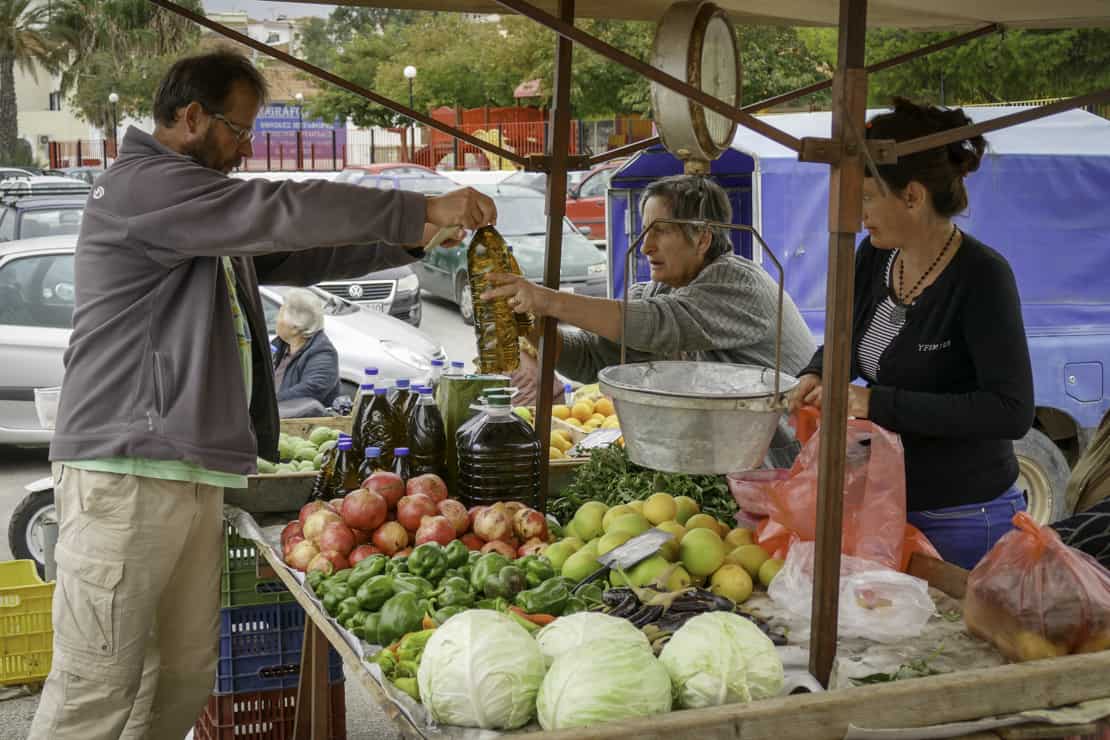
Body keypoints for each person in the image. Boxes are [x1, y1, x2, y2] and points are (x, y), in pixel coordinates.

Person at [31, 50, 494, 740]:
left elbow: (302, 248)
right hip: (124, 468)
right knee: (96, 690)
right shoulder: (144, 188)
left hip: (190, 473)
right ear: (191, 117)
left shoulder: (202, 210)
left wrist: (416, 236)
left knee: (180, 678)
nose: (247, 150)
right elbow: (279, 206)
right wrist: (417, 203)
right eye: (239, 131)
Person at [789, 98, 1034, 570]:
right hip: (886, 505)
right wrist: (819, 371)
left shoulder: (982, 277)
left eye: (866, 198)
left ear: (912, 196)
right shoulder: (874, 257)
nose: (858, 213)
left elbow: (1011, 410)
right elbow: (846, 341)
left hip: (964, 518)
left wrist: (873, 402)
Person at [483, 174, 816, 404]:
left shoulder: (740, 284)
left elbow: (659, 325)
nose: (645, 247)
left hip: (781, 463)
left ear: (702, 238)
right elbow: (589, 358)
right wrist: (529, 323)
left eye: (661, 232)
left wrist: (546, 299)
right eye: (644, 232)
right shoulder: (659, 292)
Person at [272, 288, 340, 413]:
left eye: (280, 315)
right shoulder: (279, 345)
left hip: (301, 425)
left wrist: (267, 402)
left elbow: (309, 391)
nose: (276, 320)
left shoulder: (323, 353)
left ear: (295, 327)